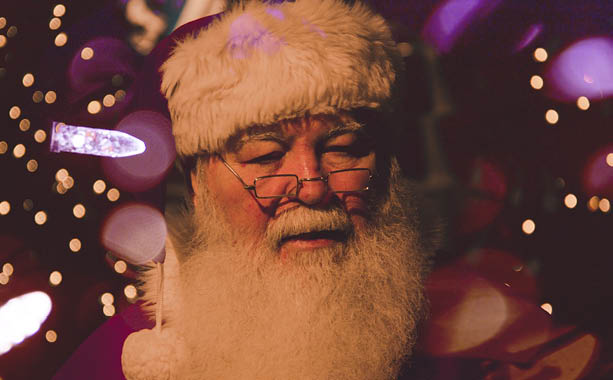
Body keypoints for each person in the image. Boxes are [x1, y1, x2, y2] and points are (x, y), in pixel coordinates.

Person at [120, 0, 434, 378]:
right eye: (266, 155)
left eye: (343, 149)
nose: (313, 188)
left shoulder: (479, 353)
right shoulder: (109, 365)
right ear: (196, 187)